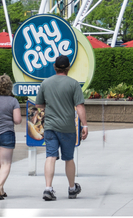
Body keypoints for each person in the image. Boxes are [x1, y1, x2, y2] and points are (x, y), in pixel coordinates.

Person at [34, 54, 88, 201]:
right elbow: (79, 106)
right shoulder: (73, 84)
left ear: (54, 67)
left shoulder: (45, 83)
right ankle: (72, 189)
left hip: (50, 127)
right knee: (69, 158)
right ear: (68, 68)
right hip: (67, 128)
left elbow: (38, 105)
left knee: (50, 156)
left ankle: (48, 188)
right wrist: (85, 125)